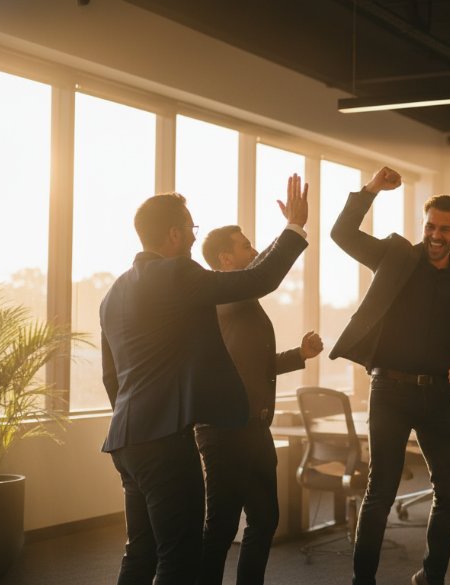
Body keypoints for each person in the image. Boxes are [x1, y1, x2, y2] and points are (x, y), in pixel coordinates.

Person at [99, 175, 309, 585]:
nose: (195, 239)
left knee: (140, 553)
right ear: (175, 234)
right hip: (164, 441)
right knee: (180, 558)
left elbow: (112, 377)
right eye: (192, 229)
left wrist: (138, 420)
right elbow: (255, 280)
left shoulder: (113, 294)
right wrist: (294, 228)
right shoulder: (176, 274)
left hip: (126, 439)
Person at [329, 166, 450, 585]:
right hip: (388, 390)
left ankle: (431, 577)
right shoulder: (397, 255)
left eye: (445, 229)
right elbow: (342, 234)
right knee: (380, 492)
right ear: (424, 225)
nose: (436, 235)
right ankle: (364, 580)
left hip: (438, 395)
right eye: (431, 226)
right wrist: (371, 189)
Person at [194, 225, 325, 585]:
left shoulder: (243, 301)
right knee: (221, 526)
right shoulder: (225, 295)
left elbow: (256, 364)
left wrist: (300, 354)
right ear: (225, 259)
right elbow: (262, 274)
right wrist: (292, 229)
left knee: (265, 519)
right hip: (225, 431)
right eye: (245, 246)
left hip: (253, 428)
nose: (253, 251)